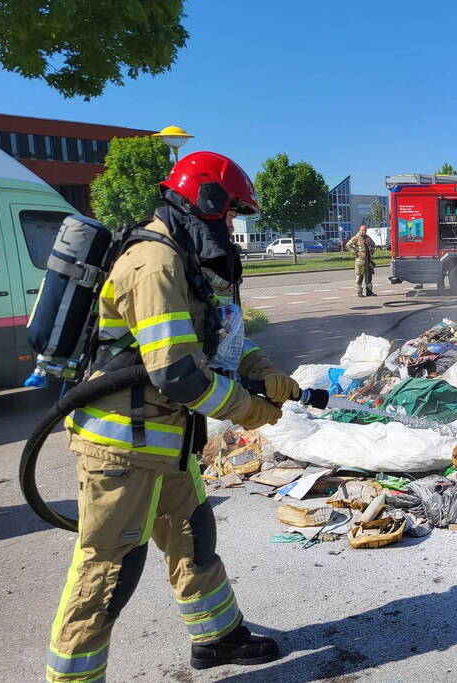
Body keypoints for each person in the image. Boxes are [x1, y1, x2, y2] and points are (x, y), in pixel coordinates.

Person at [46, 151, 298, 681]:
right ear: (206, 201)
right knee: (107, 573)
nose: (231, 227)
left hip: (165, 443)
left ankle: (217, 638)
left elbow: (217, 341)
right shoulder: (153, 264)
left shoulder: (180, 258)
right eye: (230, 214)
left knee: (192, 536)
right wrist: (250, 410)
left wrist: (263, 367)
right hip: (121, 452)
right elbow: (179, 375)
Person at [345, 224, 376, 297]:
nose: (363, 232)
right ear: (359, 230)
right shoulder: (356, 237)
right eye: (362, 230)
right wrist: (356, 252)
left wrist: (371, 250)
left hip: (368, 261)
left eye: (365, 230)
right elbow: (347, 245)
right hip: (360, 261)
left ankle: (369, 291)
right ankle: (359, 292)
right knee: (359, 277)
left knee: (369, 277)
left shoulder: (368, 238)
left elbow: (373, 244)